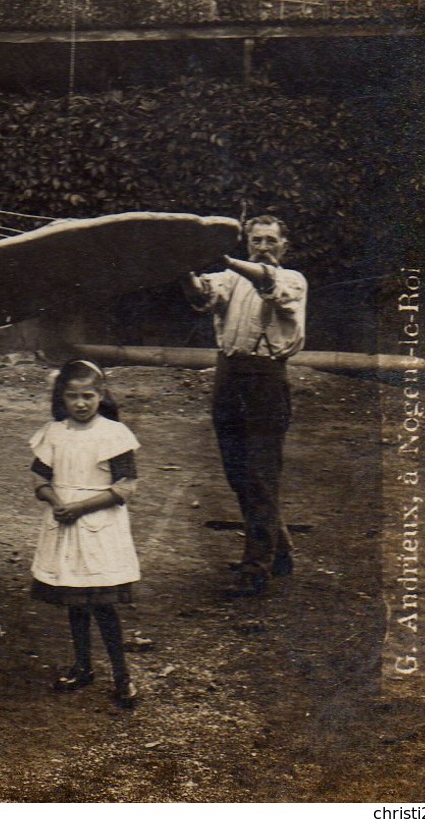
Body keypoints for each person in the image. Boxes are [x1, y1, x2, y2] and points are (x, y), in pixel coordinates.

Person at [183, 215, 307, 598]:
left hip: (266, 379)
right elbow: (201, 295)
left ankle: (256, 568)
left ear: (284, 245)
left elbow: (269, 284)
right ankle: (278, 545)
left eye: (271, 240)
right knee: (237, 472)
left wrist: (223, 257)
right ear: (248, 243)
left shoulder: (293, 280)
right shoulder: (228, 279)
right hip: (228, 375)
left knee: (261, 472)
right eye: (257, 240)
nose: (264, 247)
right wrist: (179, 265)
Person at [30, 360, 141, 708]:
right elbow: (39, 479)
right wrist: (55, 500)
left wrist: (79, 508)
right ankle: (83, 666)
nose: (80, 403)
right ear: (61, 398)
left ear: (101, 395)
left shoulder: (113, 434)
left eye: (88, 396)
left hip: (98, 526)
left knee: (103, 605)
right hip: (63, 524)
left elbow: (125, 488)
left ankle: (122, 675)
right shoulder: (54, 432)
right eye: (73, 396)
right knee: (75, 603)